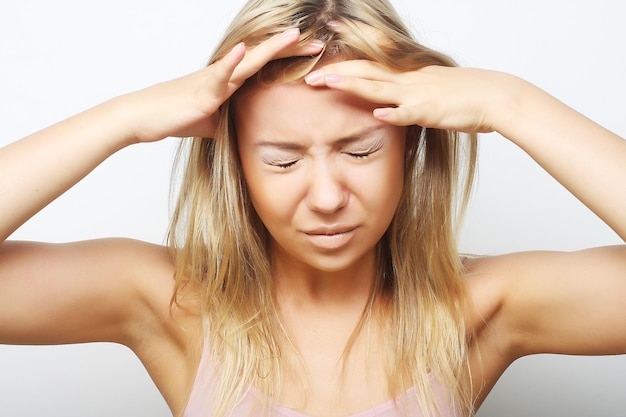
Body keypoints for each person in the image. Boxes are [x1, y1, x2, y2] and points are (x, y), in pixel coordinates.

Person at [0, 0, 624, 416]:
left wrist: (515, 105)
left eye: (359, 152)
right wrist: (125, 117)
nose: (326, 197)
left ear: (409, 148)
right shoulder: (172, 302)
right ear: (236, 165)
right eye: (282, 160)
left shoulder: (477, 309)